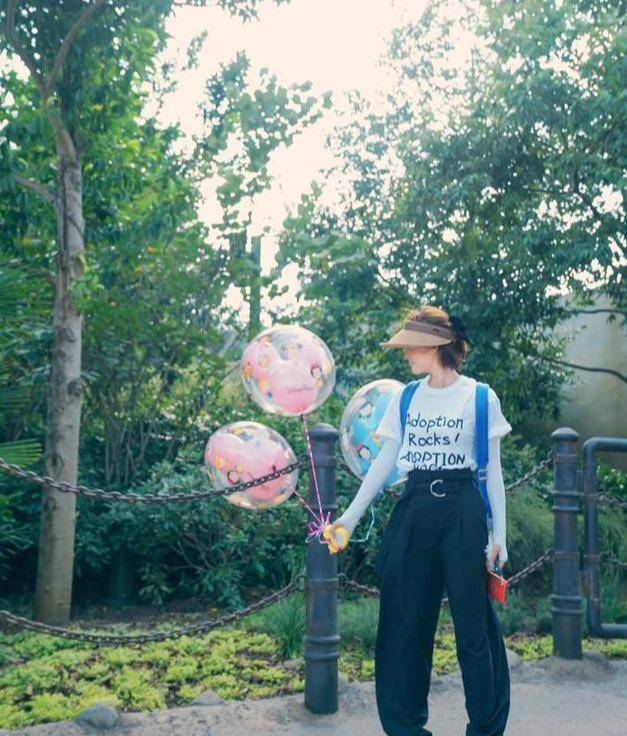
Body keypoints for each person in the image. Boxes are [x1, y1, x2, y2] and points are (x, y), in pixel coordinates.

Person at [328, 305, 512, 736]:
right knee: (405, 625)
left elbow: (494, 471)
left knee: (473, 630)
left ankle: (485, 728)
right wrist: (350, 518)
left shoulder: (479, 397)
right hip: (414, 509)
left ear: (435, 345)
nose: (406, 354)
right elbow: (384, 461)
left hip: (463, 511)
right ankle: (406, 729)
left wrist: (498, 534)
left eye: (411, 346)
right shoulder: (406, 397)